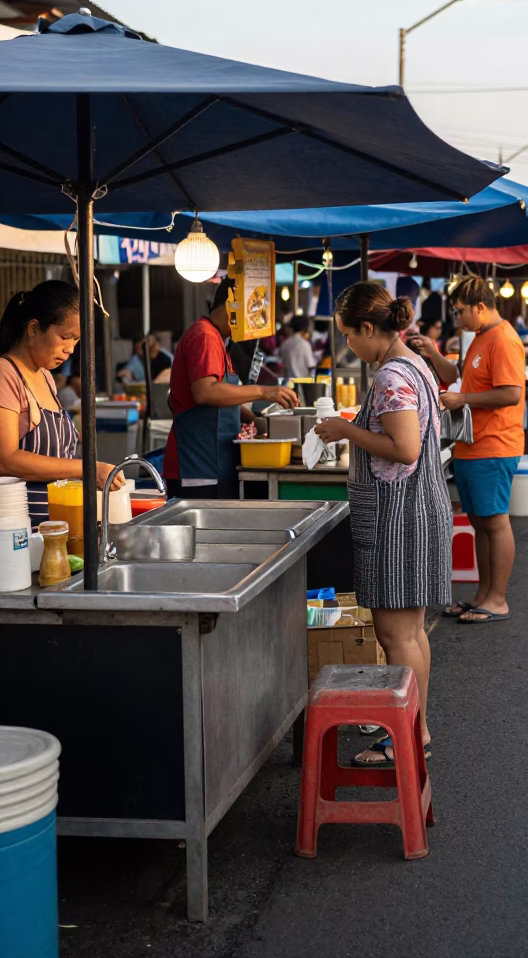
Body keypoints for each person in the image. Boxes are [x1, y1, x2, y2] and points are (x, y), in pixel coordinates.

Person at [314, 282, 452, 767]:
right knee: (412, 633)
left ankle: (406, 737)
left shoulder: (393, 375)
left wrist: (345, 429)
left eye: (349, 335)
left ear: (370, 329)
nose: (348, 345)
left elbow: (406, 449)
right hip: (418, 509)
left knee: (397, 636)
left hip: (400, 516)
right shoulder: (415, 363)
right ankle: (416, 731)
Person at [410, 275, 526, 625]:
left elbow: (511, 393)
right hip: (471, 443)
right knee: (480, 522)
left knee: (495, 521)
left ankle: (498, 599)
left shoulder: (504, 339)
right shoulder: (479, 337)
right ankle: (483, 594)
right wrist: (432, 352)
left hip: (495, 444)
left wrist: (463, 399)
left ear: (480, 306)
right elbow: (458, 375)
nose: (456, 318)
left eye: (460, 311)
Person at [0, 282, 124, 527]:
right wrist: (87, 469)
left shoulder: (46, 376)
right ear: (34, 328)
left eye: (77, 340)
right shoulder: (6, 374)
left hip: (57, 526)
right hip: (22, 530)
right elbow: (6, 458)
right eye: (65, 337)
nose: (70, 349)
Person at [164, 277, 297, 500]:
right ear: (231, 305)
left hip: (216, 463)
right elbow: (206, 391)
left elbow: (224, 396)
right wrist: (264, 391)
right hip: (197, 467)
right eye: (252, 313)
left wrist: (255, 419)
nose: (253, 323)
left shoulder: (219, 340)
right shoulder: (204, 336)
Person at [279, 315, 318, 379]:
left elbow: (282, 364)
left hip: (288, 383)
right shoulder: (305, 344)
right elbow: (311, 366)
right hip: (303, 383)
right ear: (305, 329)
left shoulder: (284, 344)